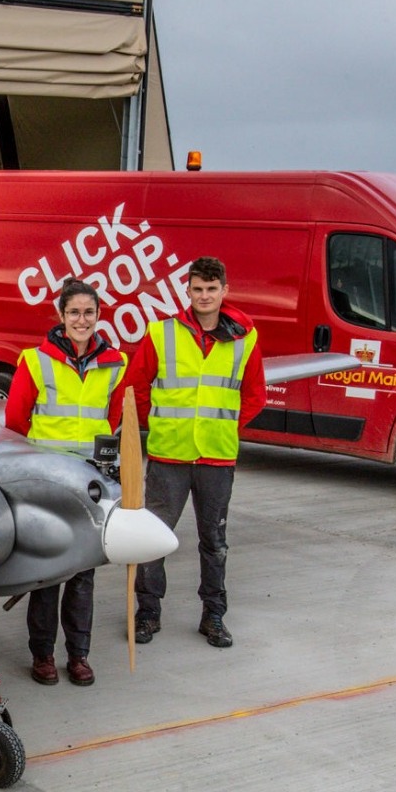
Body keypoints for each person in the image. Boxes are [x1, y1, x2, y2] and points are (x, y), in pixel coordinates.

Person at [111, 256, 265, 649]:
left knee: (214, 543)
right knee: (153, 540)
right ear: (188, 291)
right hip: (169, 457)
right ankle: (147, 614)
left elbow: (254, 396)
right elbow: (136, 387)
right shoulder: (162, 333)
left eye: (212, 289)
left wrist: (224, 425)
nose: (205, 296)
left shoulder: (245, 338)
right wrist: (159, 424)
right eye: (198, 289)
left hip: (216, 458)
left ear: (224, 291)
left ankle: (213, 616)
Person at [4, 279, 126, 686]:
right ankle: (42, 655)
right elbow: (16, 422)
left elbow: (118, 419)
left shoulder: (115, 364)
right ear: (61, 316)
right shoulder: (34, 361)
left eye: (88, 313)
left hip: (89, 483)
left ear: (98, 316)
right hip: (48, 484)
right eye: (73, 313)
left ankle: (78, 655)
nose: (81, 320)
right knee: (48, 573)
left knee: (82, 575)